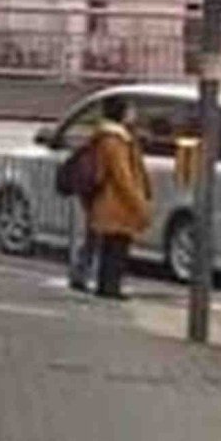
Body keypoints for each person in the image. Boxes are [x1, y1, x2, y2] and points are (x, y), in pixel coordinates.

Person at [69, 102, 154, 299]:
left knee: (113, 244)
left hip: (113, 200)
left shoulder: (119, 137)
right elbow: (121, 176)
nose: (134, 114)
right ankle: (109, 286)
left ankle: (106, 284)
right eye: (130, 111)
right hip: (115, 201)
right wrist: (138, 202)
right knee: (116, 245)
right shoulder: (114, 140)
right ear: (122, 114)